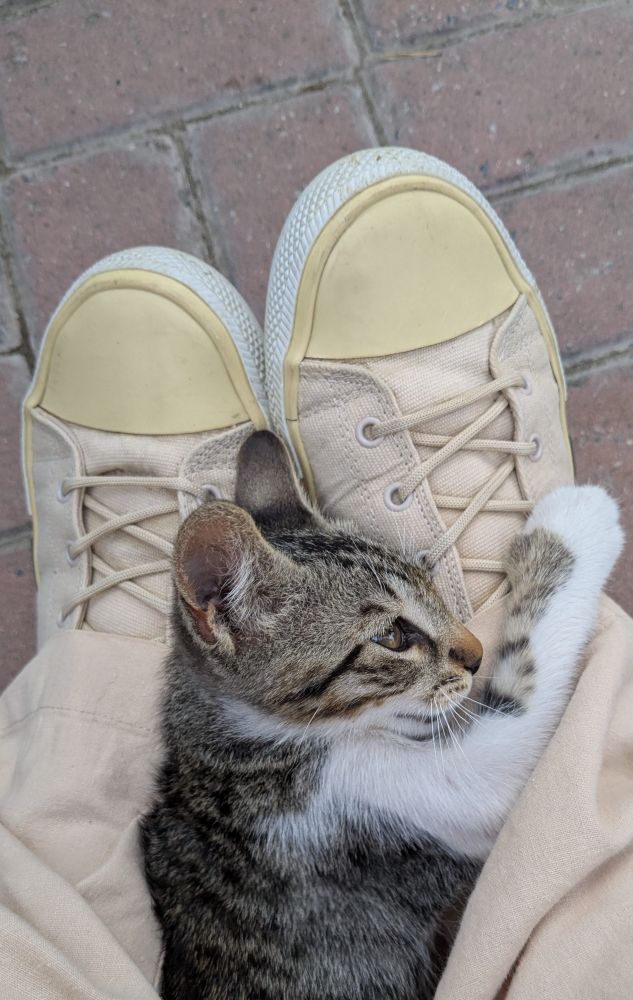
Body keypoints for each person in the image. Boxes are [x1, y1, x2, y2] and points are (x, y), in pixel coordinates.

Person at [2, 151, 632, 1000]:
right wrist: (561, 552)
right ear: (229, 618)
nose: (465, 651)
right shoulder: (320, 798)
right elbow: (489, 780)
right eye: (398, 637)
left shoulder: (254, 760)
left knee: (46, 875)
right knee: (591, 838)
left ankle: (78, 734)